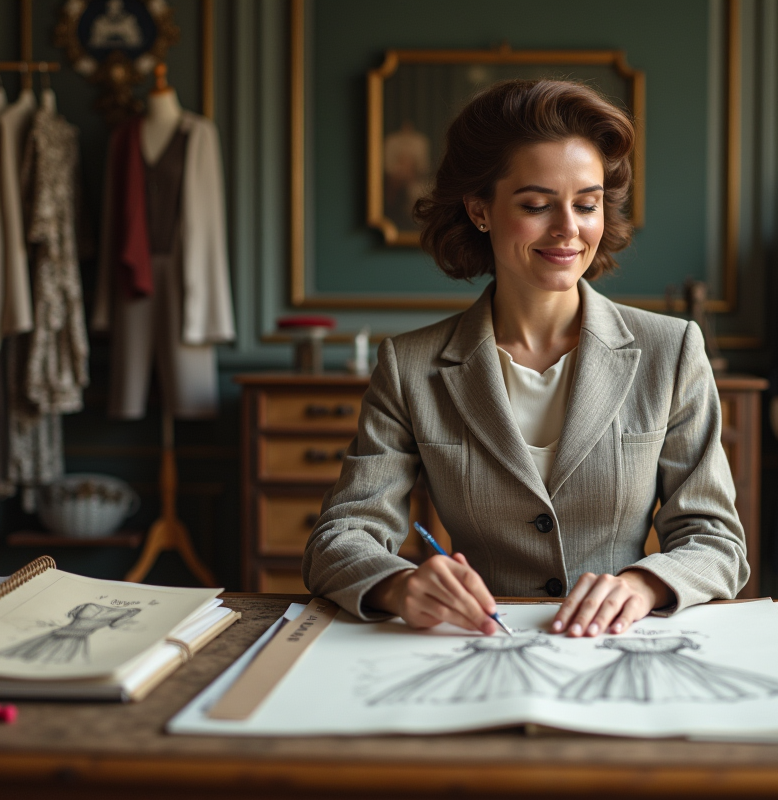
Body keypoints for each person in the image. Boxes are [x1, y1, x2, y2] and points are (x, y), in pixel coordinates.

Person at [303, 79, 748, 638]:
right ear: (479, 210)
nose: (568, 229)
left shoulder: (672, 350)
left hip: (620, 646)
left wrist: (642, 585)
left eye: (586, 205)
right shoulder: (410, 366)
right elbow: (340, 536)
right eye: (537, 205)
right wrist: (398, 585)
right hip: (478, 643)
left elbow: (715, 540)